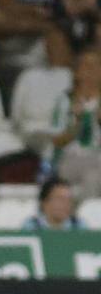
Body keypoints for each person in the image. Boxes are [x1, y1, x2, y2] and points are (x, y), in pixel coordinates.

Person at [50, 50, 101, 196]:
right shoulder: (64, 101)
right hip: (71, 159)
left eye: (96, 66)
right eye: (87, 66)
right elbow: (57, 140)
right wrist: (77, 123)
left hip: (98, 159)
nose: (92, 70)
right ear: (76, 72)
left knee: (93, 176)